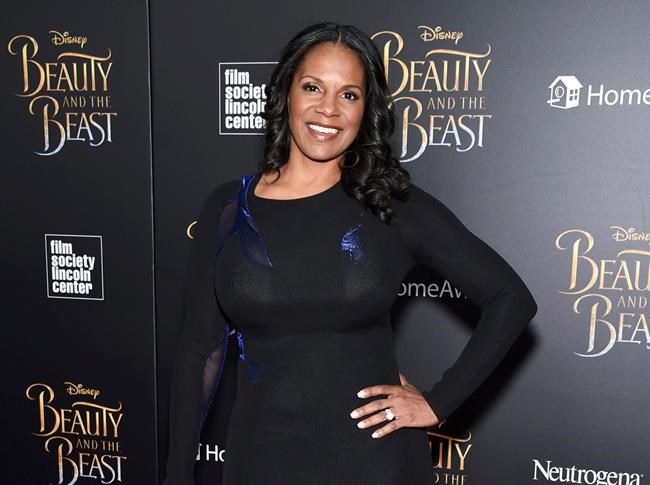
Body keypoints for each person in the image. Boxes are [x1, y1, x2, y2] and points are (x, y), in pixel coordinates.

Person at [162, 21, 537, 485]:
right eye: (313, 87)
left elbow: (509, 297)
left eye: (349, 95)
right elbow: (199, 350)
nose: (328, 109)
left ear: (366, 109)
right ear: (285, 93)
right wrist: (177, 474)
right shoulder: (228, 209)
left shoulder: (390, 205)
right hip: (259, 463)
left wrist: (438, 402)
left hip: (374, 463)